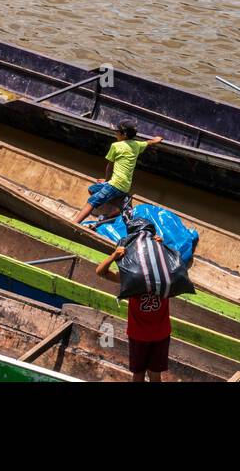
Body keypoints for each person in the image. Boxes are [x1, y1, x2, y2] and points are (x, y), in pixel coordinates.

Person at [97, 242, 173, 382]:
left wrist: (114, 256)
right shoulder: (164, 273)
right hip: (149, 335)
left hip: (149, 335)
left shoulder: (133, 276)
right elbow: (100, 271)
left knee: (148, 374)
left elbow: (101, 272)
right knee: (146, 374)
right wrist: (114, 255)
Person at [74, 121, 162, 224]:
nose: (115, 133)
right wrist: (158, 139)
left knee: (92, 201)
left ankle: (74, 223)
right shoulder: (137, 145)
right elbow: (150, 142)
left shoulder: (116, 146)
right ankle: (116, 208)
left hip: (116, 184)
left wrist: (107, 181)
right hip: (125, 186)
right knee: (92, 189)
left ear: (123, 135)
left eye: (117, 132)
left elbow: (109, 167)